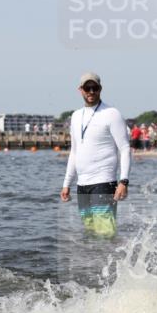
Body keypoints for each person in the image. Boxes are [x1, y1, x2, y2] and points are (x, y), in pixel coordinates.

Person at [60, 72, 131, 236]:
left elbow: (125, 148)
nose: (91, 91)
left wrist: (124, 181)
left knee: (105, 234)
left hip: (104, 182)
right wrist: (66, 184)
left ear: (100, 89)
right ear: (80, 90)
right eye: (87, 88)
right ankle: (93, 263)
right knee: (91, 234)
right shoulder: (76, 116)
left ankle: (113, 262)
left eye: (95, 88)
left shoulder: (112, 113)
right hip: (82, 185)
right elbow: (74, 152)